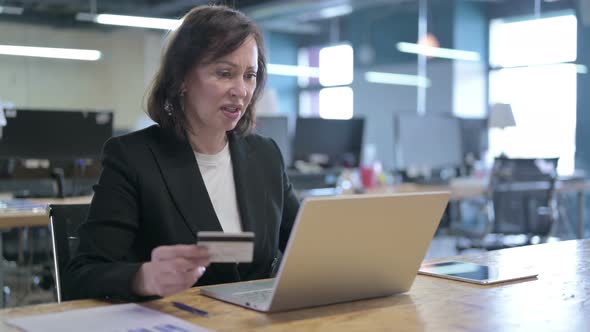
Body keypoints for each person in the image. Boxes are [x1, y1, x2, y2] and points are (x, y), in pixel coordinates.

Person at [65, 5, 300, 301]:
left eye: (250, 75)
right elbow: (81, 275)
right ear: (182, 78)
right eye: (225, 73)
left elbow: (307, 245)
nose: (241, 90)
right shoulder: (133, 158)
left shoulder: (265, 155)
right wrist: (142, 278)